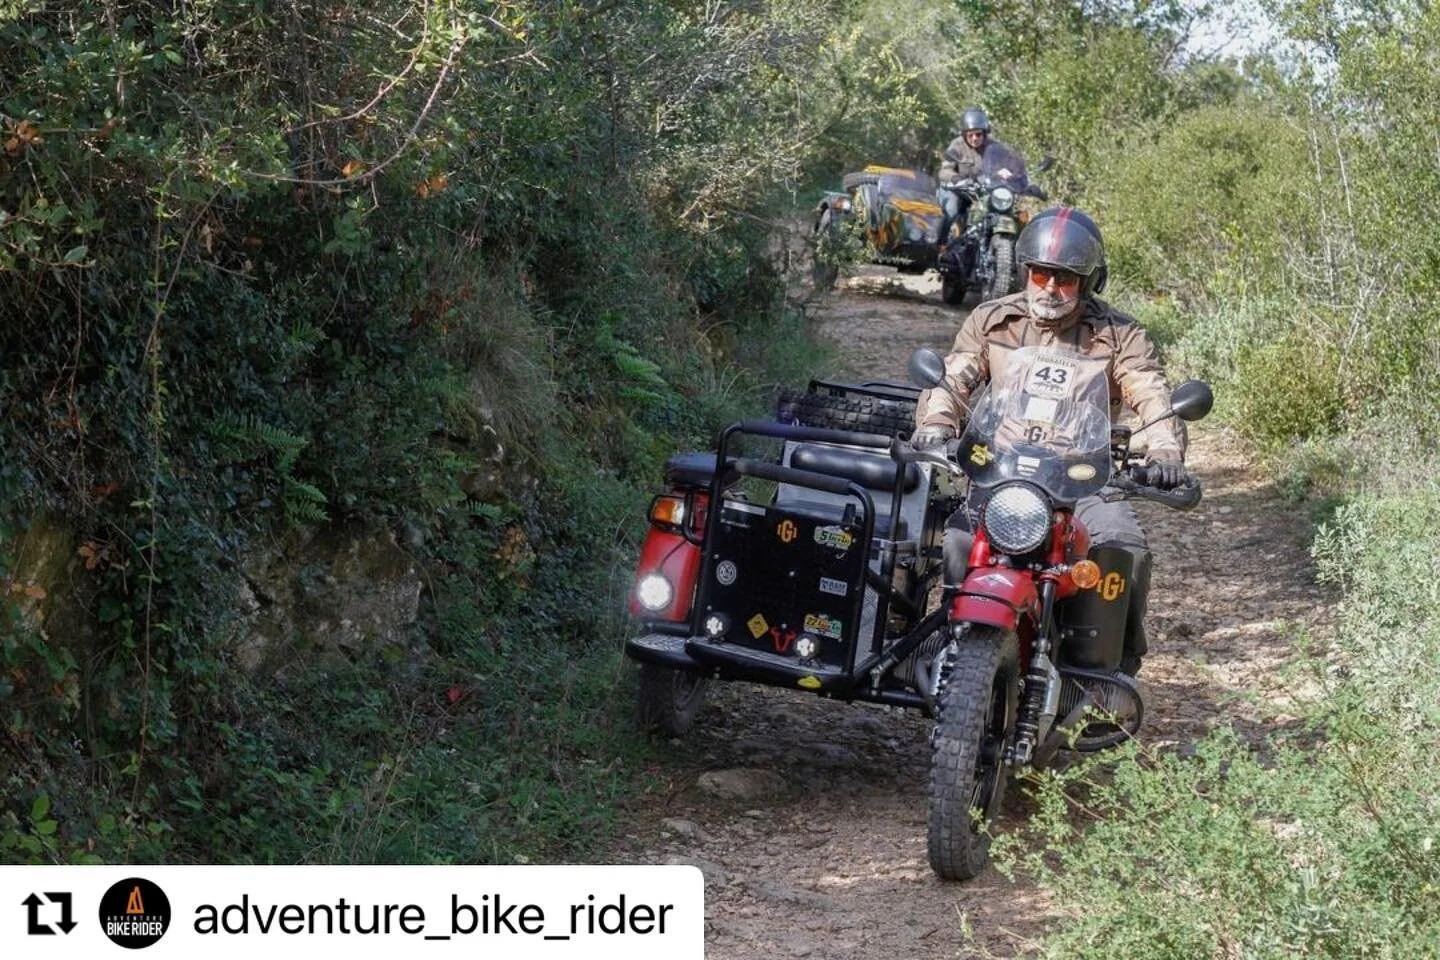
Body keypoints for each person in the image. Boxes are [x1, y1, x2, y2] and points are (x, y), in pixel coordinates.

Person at [911, 206, 1189, 676]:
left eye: (1066, 279)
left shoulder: (1120, 335)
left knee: (1124, 548)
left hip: (1084, 475)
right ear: (1027, 272)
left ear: (1089, 282)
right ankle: (953, 641)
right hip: (1001, 470)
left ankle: (1104, 674)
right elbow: (955, 376)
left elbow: (1148, 389)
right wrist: (936, 425)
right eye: (1041, 275)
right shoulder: (992, 320)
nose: (1051, 289)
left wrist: (1164, 451)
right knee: (959, 539)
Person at [935, 107, 1030, 245]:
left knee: (1010, 213)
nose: (974, 138)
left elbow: (1011, 163)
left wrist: (1012, 173)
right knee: (951, 209)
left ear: (984, 134)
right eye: (970, 135)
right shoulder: (957, 145)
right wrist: (956, 178)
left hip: (983, 190)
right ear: (964, 134)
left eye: (978, 134)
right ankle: (940, 245)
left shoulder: (994, 147)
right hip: (959, 189)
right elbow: (944, 171)